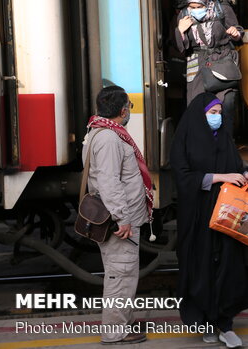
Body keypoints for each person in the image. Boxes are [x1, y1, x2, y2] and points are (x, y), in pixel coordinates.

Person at [170, 92, 248, 348]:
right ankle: (207, 322)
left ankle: (225, 323)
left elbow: (234, 163)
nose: (217, 117)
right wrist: (221, 177)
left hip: (228, 215)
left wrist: (243, 173)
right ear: (200, 114)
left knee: (229, 266)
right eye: (212, 113)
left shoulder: (224, 139)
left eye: (219, 112)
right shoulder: (185, 138)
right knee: (202, 266)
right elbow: (183, 176)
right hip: (199, 216)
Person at [83, 85, 154, 345]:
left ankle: (122, 320)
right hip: (118, 222)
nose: (129, 112)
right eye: (130, 108)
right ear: (123, 110)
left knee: (123, 273)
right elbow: (109, 182)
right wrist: (122, 218)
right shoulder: (109, 138)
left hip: (120, 218)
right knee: (120, 274)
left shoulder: (101, 132)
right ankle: (115, 331)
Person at [175, 0, 243, 123]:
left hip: (221, 61)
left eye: (199, 7)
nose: (195, 10)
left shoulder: (222, 10)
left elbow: (237, 32)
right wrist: (180, 31)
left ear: (206, 2)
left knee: (225, 105)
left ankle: (223, 141)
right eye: (192, 7)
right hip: (196, 65)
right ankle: (200, 142)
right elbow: (181, 48)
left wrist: (235, 34)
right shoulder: (184, 16)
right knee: (196, 109)